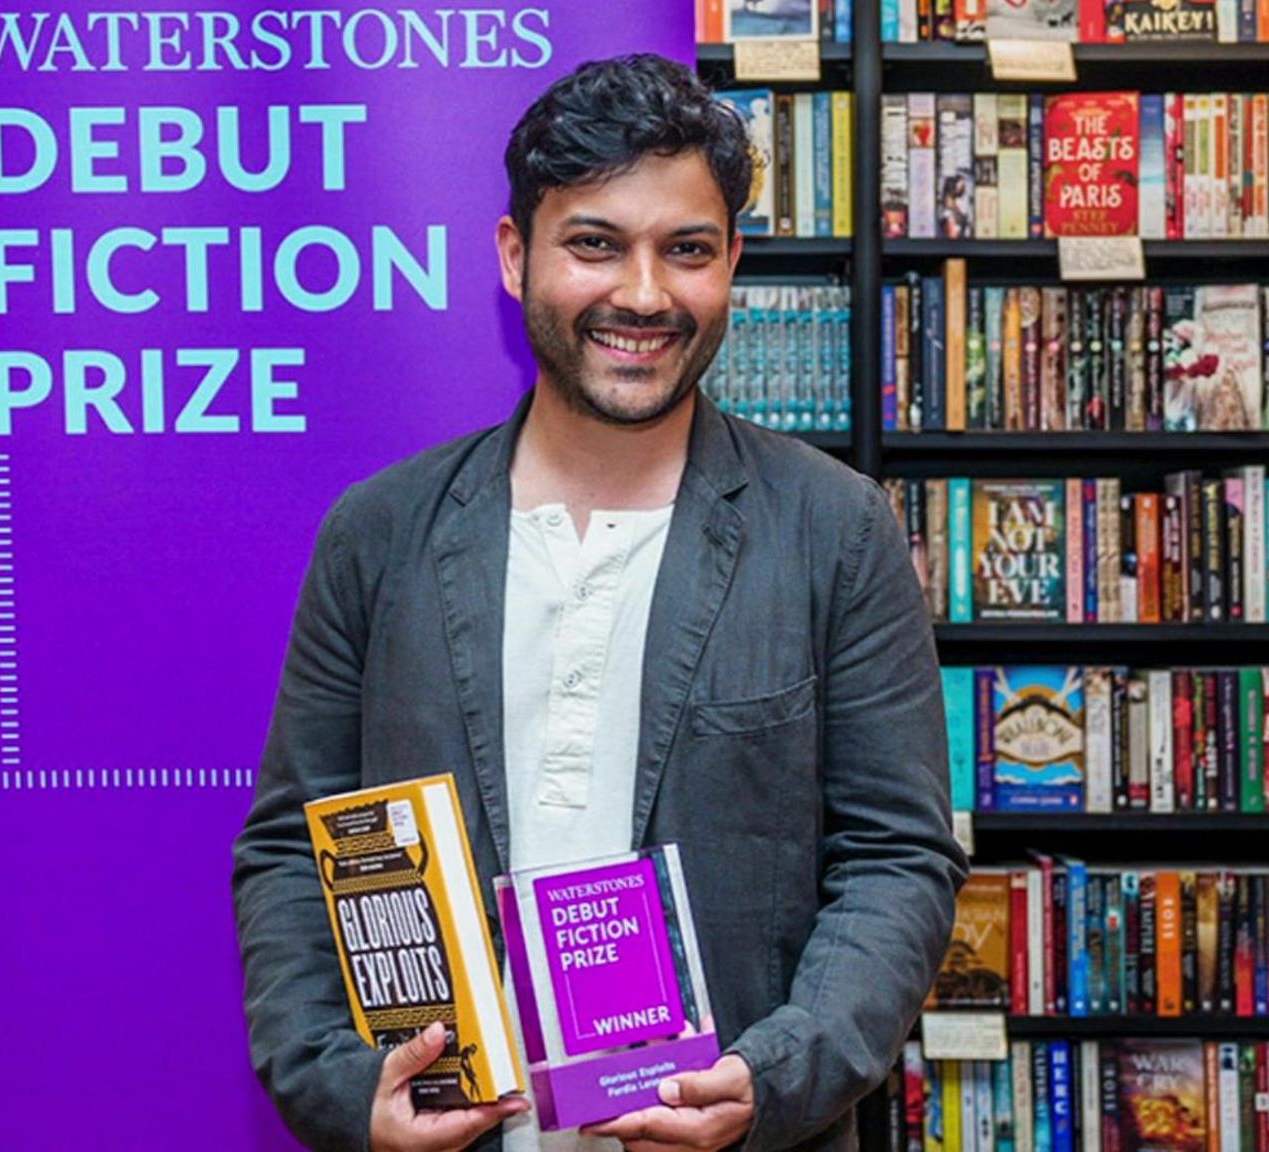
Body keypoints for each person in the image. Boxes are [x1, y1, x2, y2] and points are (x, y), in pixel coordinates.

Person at [233, 53, 968, 1152]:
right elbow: (295, 847)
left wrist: (772, 1076)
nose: (642, 294)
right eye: (593, 244)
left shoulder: (834, 528)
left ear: (730, 265)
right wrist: (343, 1087)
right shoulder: (379, 534)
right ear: (513, 254)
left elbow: (895, 860)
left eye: (687, 251)